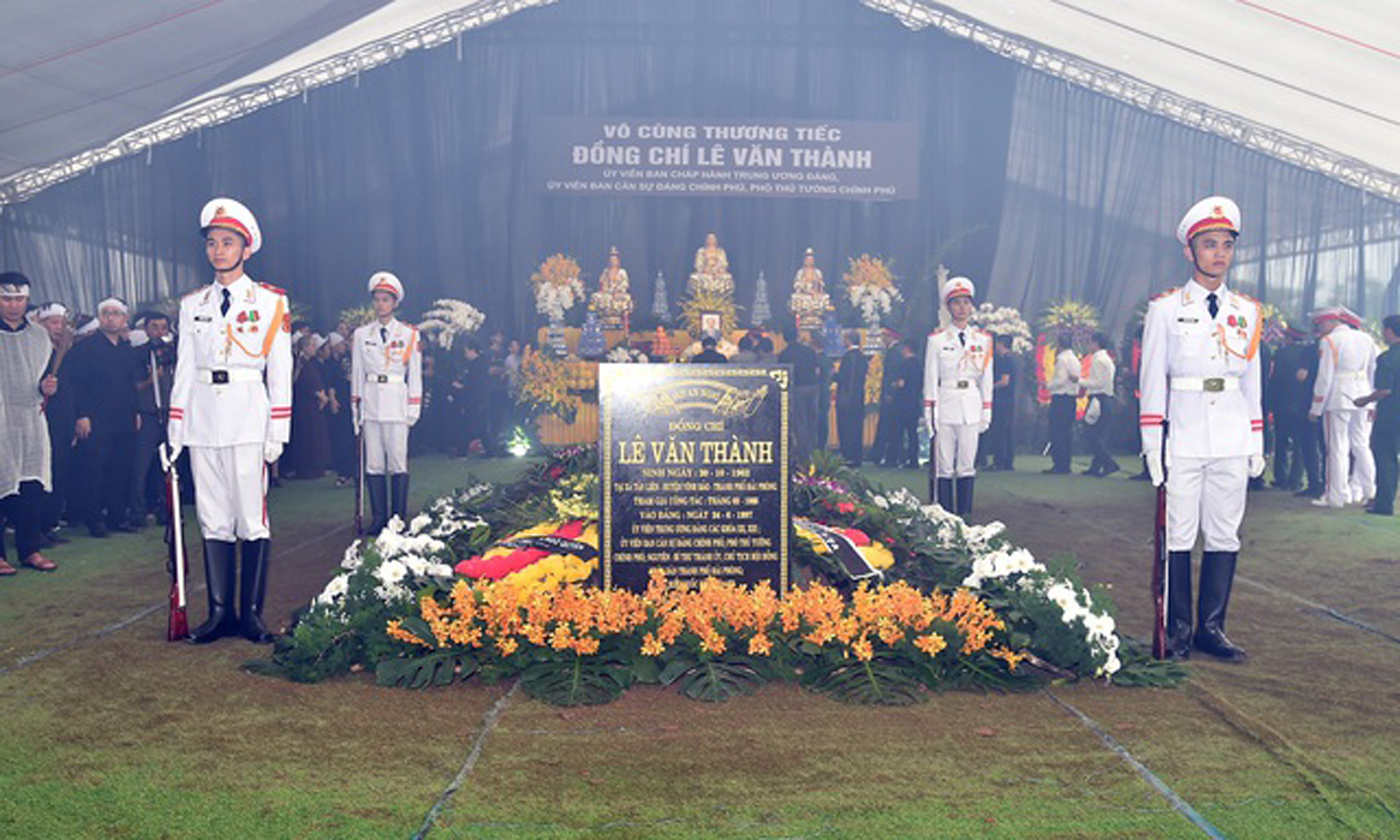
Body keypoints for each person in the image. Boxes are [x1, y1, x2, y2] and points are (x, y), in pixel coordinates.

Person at [1140, 195, 1265, 662]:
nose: (1219, 253)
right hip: (1185, 434)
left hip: (1231, 433)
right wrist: (1154, 444)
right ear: (1190, 252)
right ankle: (1176, 630)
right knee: (1178, 534)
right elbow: (1153, 380)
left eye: (1227, 245)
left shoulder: (1247, 311)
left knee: (1224, 532)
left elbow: (1252, 381)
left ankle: (1211, 629)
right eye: (1209, 244)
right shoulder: (1166, 309)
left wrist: (1256, 439)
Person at [167, 197, 293, 644]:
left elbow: (279, 371)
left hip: (247, 417)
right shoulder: (192, 304)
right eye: (212, 243)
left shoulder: (270, 301)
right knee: (213, 516)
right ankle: (220, 612)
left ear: (246, 248)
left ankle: (250, 615)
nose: (218, 250)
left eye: (228, 242)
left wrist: (277, 431)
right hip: (203, 417)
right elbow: (184, 368)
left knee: (251, 518)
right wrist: (176, 426)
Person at [62, 297, 140, 537]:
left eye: (116, 313)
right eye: (106, 313)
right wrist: (81, 415)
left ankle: (117, 516)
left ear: (124, 319)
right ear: (100, 318)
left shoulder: (127, 349)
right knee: (93, 470)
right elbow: (78, 384)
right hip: (95, 420)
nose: (111, 318)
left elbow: (131, 384)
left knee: (120, 468)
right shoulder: (85, 348)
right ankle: (94, 520)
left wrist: (136, 412)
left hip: (124, 418)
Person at [352, 272, 423, 532]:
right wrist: (355, 410)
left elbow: (414, 374)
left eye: (386, 300)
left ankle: (397, 518)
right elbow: (358, 374)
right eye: (377, 299)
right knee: (374, 464)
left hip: (396, 402)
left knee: (397, 462)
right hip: (371, 402)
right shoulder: (361, 335)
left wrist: (413, 408)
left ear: (395, 303)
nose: (381, 304)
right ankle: (379, 517)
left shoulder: (408, 334)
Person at [0, 272, 58, 575]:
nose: (13, 305)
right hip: (0, 417)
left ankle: (30, 549)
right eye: (7, 298)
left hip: (29, 417)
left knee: (31, 485)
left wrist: (46, 387)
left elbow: (41, 378)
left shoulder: (38, 335)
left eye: (19, 299)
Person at [923, 278, 993, 515]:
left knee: (966, 465)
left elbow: (987, 379)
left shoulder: (983, 340)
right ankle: (945, 517)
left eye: (966, 302)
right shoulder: (937, 340)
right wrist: (929, 412)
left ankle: (964, 517)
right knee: (944, 466)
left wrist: (986, 410)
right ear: (948, 307)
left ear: (971, 306)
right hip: (946, 404)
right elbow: (930, 378)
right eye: (956, 303)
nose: (962, 308)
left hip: (971, 405)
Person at [1308, 308, 1377, 508]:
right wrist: (1373, 400)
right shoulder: (1366, 339)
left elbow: (1325, 377)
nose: (1320, 328)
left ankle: (1336, 496)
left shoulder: (1329, 341)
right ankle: (1369, 491)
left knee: (1337, 448)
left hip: (1338, 396)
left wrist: (1316, 407)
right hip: (1363, 393)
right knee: (1361, 445)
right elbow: (1373, 370)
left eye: (1321, 324)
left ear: (1330, 323)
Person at [130, 311, 176, 527]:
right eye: (154, 327)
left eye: (163, 327)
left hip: (170, 414)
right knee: (140, 467)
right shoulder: (138, 354)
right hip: (148, 413)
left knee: (168, 466)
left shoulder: (175, 353)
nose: (159, 332)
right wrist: (150, 380)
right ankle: (138, 513)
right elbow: (133, 387)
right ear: (146, 330)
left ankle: (166, 510)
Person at [35, 302, 74, 543]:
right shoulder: (35, 350)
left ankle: (49, 524)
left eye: (62, 322)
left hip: (61, 422)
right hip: (39, 420)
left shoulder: (66, 352)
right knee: (39, 475)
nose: (58, 327)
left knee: (58, 473)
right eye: (53, 322)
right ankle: (34, 528)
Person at [1354, 315, 1399, 515]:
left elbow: (1385, 391)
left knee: (1385, 458)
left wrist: (1364, 400)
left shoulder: (1387, 358)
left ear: (1389, 331)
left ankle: (1384, 503)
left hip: (1391, 415)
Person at [1267, 326, 1314, 492]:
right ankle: (1296, 479)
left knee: (1281, 442)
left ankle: (1281, 478)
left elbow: (1274, 379)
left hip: (1283, 404)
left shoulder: (1281, 354)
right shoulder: (1309, 353)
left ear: (1288, 337)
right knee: (1299, 445)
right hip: (1302, 404)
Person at [778, 324, 822, 466]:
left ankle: (804, 454)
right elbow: (817, 371)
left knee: (800, 422)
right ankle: (814, 449)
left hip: (797, 389)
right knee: (813, 419)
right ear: (797, 335)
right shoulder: (809, 351)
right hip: (812, 387)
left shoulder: (784, 354)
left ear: (785, 338)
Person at [289, 334, 331, 480]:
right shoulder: (300, 362)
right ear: (304, 347)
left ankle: (316, 466)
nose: (314, 349)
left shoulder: (310, 362)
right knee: (306, 436)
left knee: (316, 436)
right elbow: (303, 381)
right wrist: (319, 395)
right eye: (312, 346)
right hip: (304, 405)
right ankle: (305, 469)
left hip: (313, 406)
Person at [1081, 331, 1120, 476]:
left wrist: (1079, 381)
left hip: (1099, 399)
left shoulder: (1098, 360)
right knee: (1098, 434)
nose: (1089, 345)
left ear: (1096, 343)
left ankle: (1109, 463)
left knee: (1091, 434)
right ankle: (1096, 466)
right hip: (1105, 398)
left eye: (1090, 342)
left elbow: (1097, 383)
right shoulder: (1106, 358)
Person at [1044, 332, 1079, 474]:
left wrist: (1047, 385)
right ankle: (1065, 463)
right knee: (1066, 433)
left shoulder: (1062, 359)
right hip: (1071, 399)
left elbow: (1060, 380)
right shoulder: (1074, 359)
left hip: (1060, 399)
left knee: (1056, 432)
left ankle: (1059, 464)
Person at [836, 330, 869, 467]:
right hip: (858, 397)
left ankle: (848, 456)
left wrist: (833, 375)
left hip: (847, 398)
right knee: (857, 428)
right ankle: (857, 456)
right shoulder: (862, 357)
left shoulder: (849, 357)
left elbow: (844, 377)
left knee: (846, 427)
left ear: (849, 340)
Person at [985, 334, 1018, 471]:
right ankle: (1008, 461)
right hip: (1009, 399)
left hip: (1002, 399)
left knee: (1000, 430)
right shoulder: (1012, 359)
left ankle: (999, 461)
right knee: (1007, 431)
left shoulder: (1005, 360)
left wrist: (989, 388)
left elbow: (1004, 381)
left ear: (1002, 344)